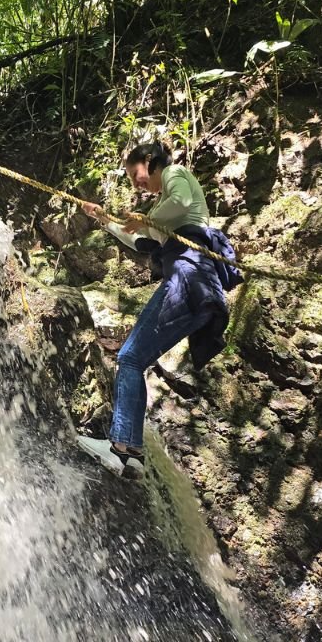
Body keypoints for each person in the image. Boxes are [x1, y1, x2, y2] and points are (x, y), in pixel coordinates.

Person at [78, 140, 242, 480]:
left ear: (149, 161)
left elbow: (177, 203)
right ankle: (132, 456)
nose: (136, 182)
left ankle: (120, 446)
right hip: (198, 289)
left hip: (189, 279)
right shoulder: (168, 214)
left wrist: (145, 218)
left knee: (129, 357)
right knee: (134, 360)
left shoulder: (175, 175)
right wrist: (104, 219)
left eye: (134, 173)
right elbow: (142, 241)